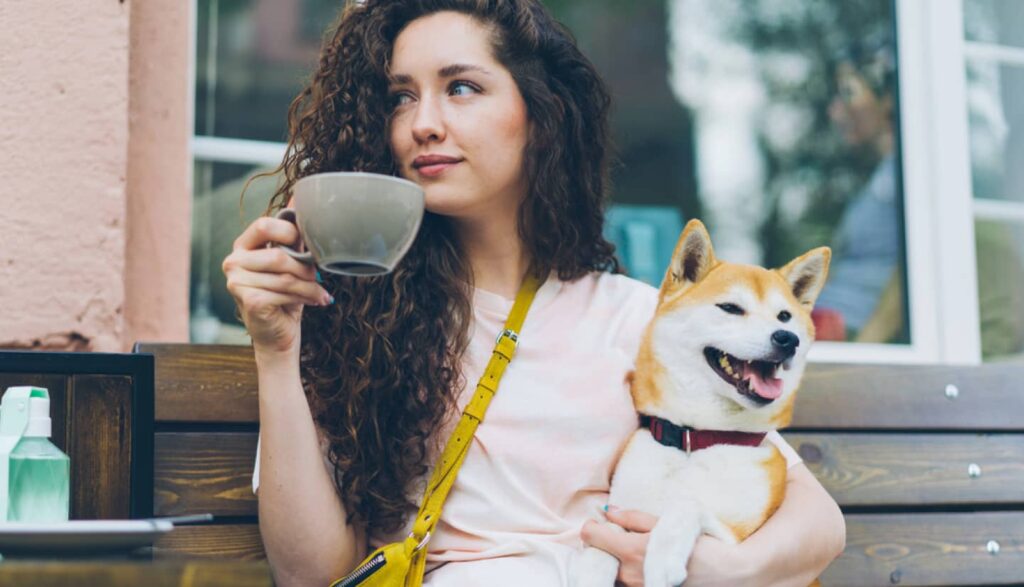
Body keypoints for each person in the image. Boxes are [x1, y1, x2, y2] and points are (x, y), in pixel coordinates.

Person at [222, 1, 846, 585]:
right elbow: (311, 574)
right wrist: (276, 350)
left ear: (540, 113)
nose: (423, 124)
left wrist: (715, 571)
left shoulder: (638, 318)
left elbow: (818, 523)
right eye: (400, 97)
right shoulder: (353, 316)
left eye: (461, 87)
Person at [813, 38, 904, 343]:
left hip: (849, 333)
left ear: (888, 99)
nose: (835, 111)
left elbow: (909, 275)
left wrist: (866, 347)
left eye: (848, 94)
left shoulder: (908, 177)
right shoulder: (883, 178)